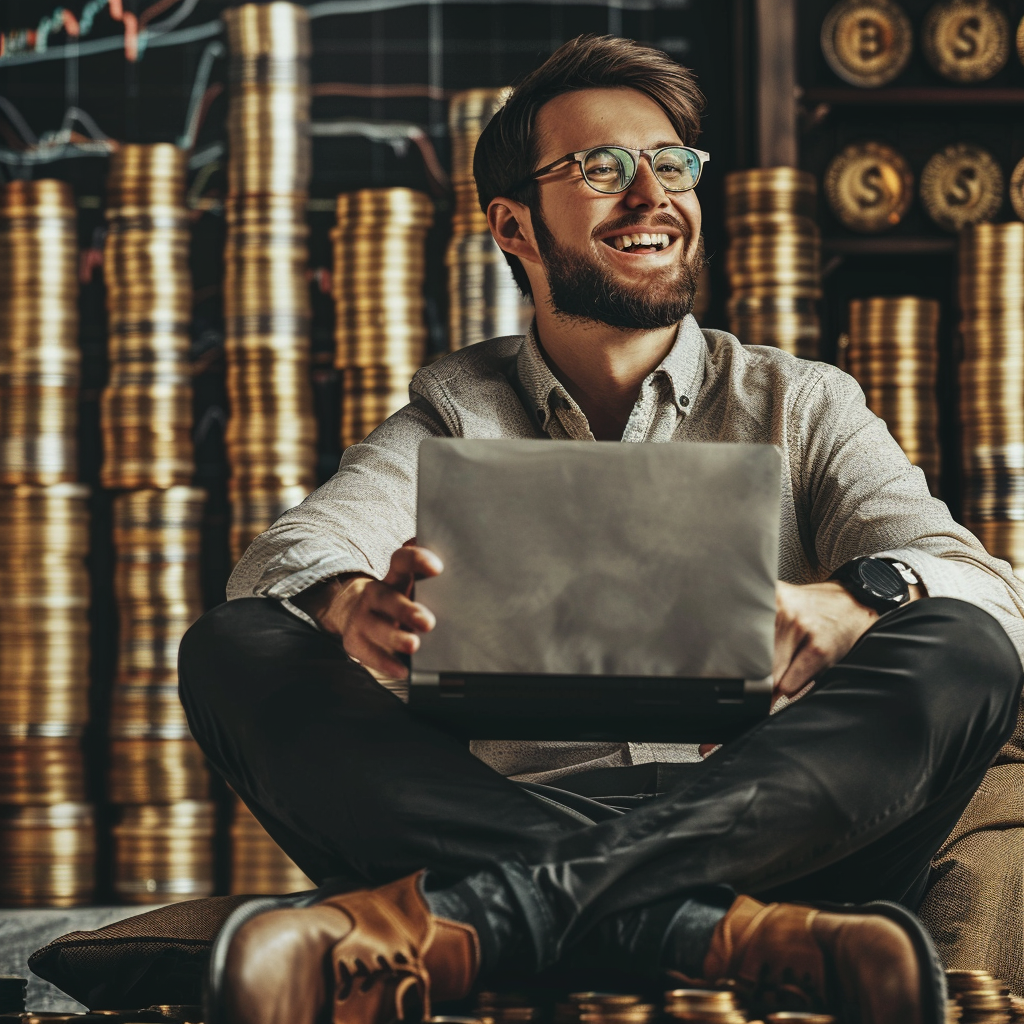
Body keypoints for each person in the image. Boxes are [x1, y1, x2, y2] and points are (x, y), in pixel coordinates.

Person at [179, 34, 1024, 1024]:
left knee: (961, 642)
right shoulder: (454, 410)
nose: (651, 194)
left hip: (791, 829)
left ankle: (489, 920)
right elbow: (282, 561)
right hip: (503, 824)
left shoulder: (802, 403)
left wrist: (852, 601)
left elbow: (981, 584)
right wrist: (345, 601)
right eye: (601, 168)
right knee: (236, 645)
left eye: (672, 165)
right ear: (514, 225)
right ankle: (709, 930)